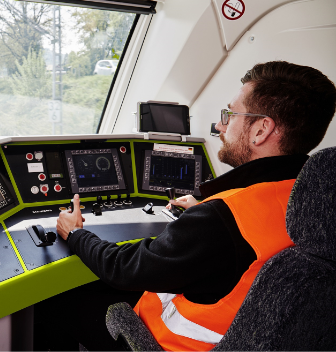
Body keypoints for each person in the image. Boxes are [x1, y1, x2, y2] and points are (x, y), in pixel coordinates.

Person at [33, 61, 336, 352]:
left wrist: (75, 234)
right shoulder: (315, 204)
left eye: (230, 114)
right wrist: (205, 209)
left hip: (165, 342)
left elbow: (123, 269)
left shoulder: (218, 220)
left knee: (55, 300)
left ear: (261, 130)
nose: (219, 125)